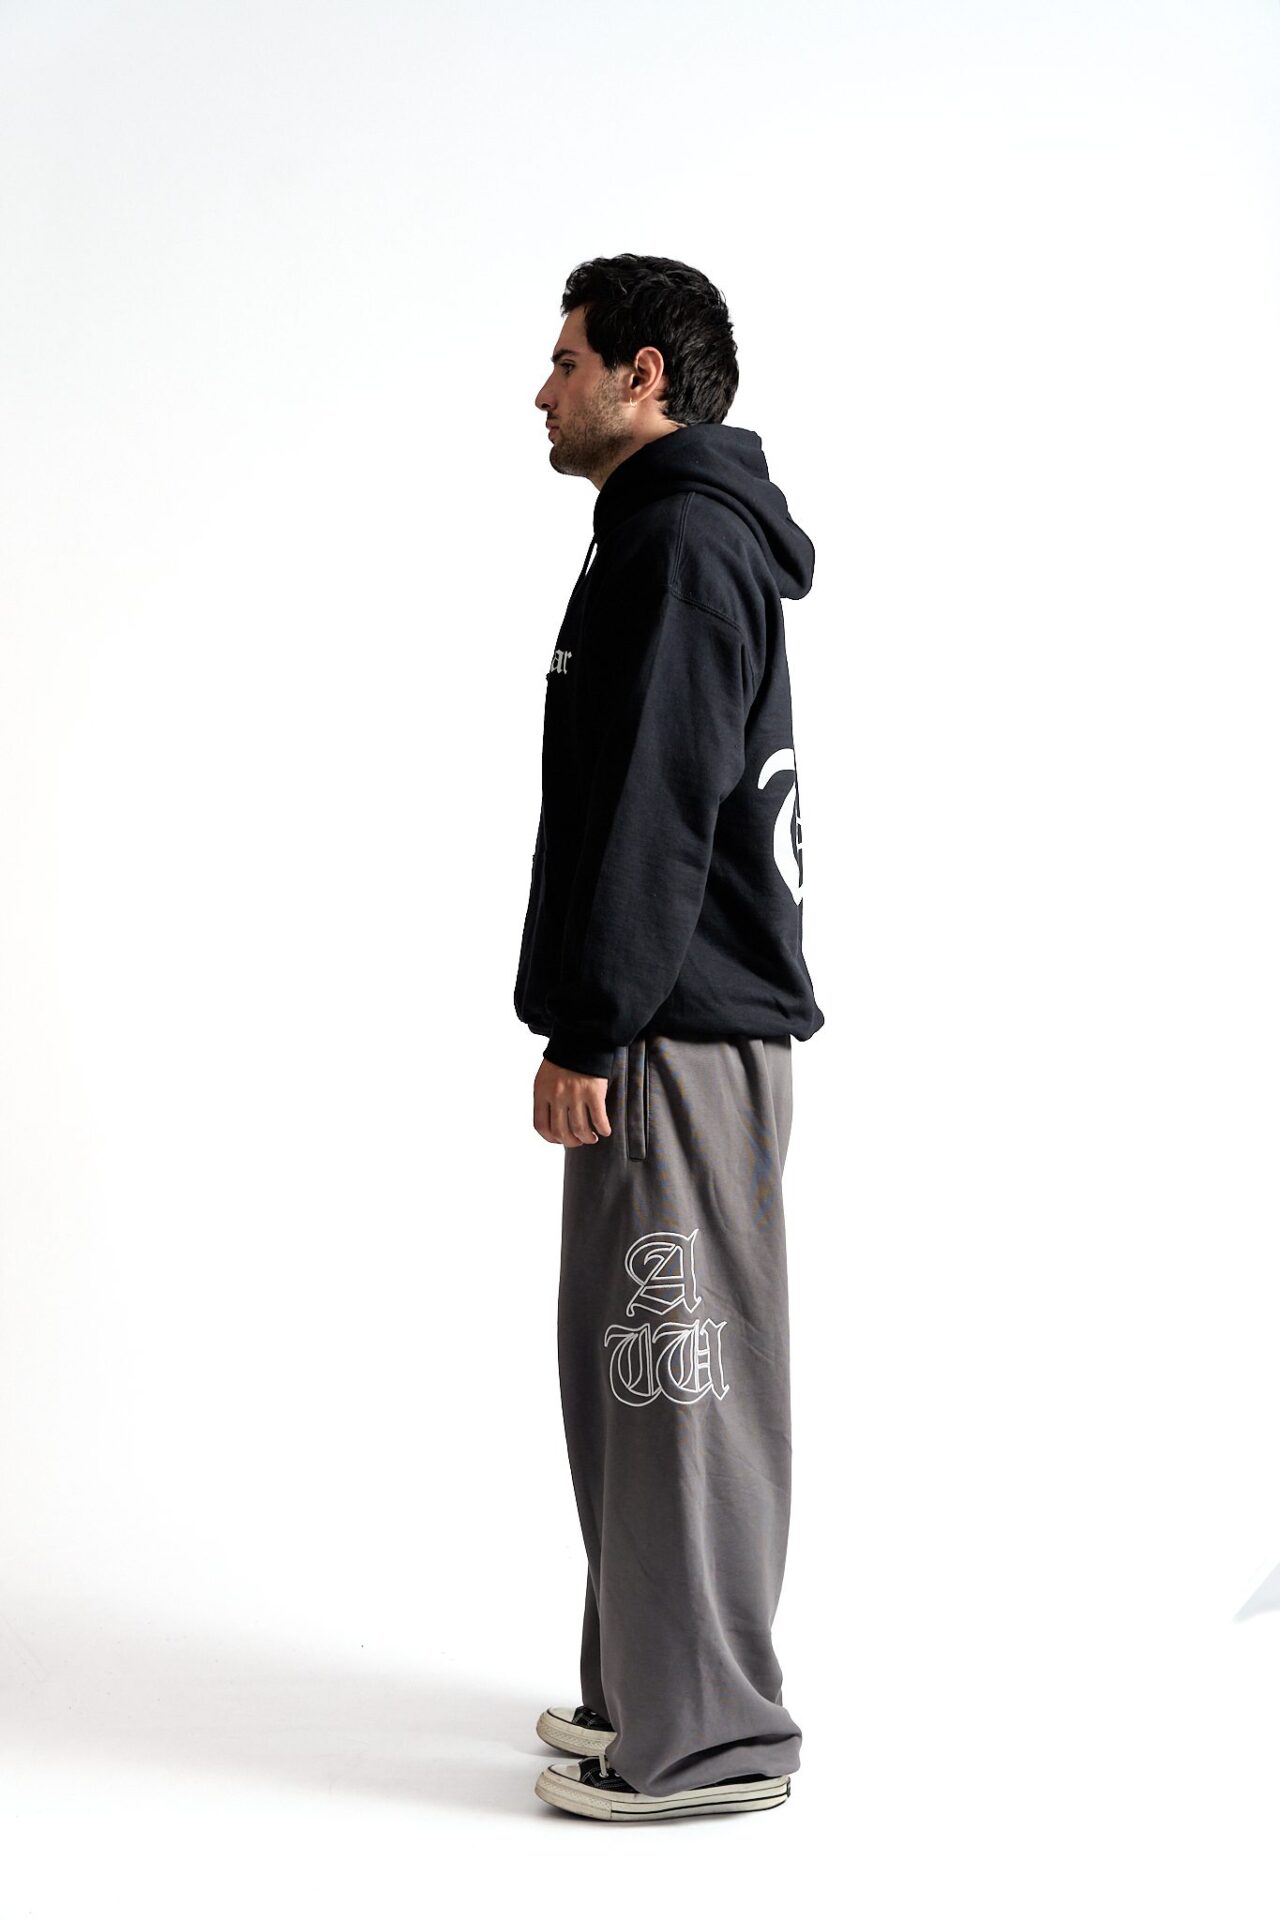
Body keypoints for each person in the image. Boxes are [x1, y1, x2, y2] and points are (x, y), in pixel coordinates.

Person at [514, 254, 824, 1823]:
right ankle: (647, 1689)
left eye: (567, 360)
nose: (542, 389)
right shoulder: (658, 531)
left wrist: (591, 1025)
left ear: (643, 376)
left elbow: (658, 808)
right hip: (673, 1027)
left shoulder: (687, 542)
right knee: (637, 1382)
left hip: (678, 1033)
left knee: (678, 1380)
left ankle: (709, 1743)